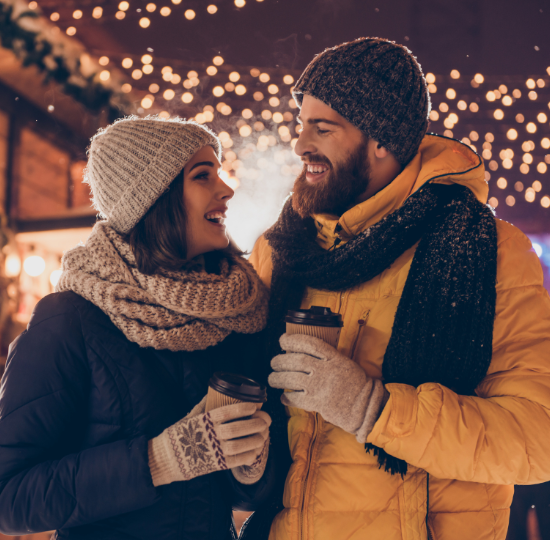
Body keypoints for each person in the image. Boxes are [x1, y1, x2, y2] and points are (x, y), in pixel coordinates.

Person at [249, 38, 550, 540]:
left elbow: (536, 437)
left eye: (323, 128)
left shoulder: (486, 249)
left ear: (381, 140)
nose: (301, 144)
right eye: (301, 125)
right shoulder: (282, 249)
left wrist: (376, 410)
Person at [0, 116, 274, 539]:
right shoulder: (71, 318)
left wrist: (252, 465)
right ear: (153, 198)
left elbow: (248, 500)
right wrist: (158, 460)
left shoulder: (236, 314)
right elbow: (10, 499)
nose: (227, 189)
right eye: (203, 175)